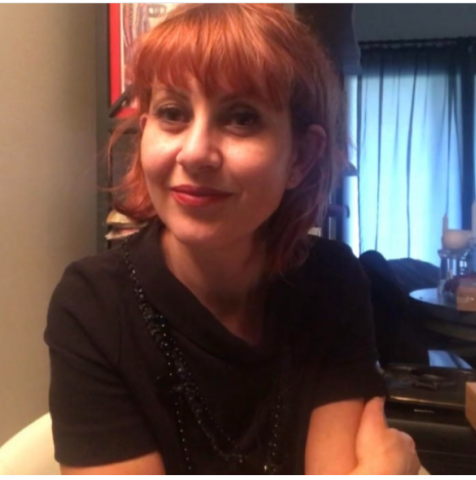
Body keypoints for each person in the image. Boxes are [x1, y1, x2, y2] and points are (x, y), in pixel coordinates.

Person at [44, 4, 420, 475]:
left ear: (301, 157)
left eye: (241, 118)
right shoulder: (93, 305)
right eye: (172, 113)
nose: (195, 152)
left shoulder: (332, 281)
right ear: (145, 135)